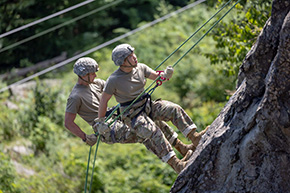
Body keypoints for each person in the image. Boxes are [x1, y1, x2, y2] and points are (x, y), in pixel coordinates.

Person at [64, 57, 194, 172]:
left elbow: (115, 89)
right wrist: (86, 137)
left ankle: (181, 148)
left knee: (151, 121)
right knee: (145, 132)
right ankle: (177, 165)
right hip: (107, 128)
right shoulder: (75, 97)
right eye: (91, 73)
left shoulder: (96, 83)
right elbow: (68, 122)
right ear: (83, 75)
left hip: (116, 115)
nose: (95, 75)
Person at [98, 43, 208, 173]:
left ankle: (194, 138)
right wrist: (101, 121)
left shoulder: (140, 68)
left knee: (173, 109)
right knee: (153, 132)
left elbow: (157, 76)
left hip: (147, 106)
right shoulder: (113, 80)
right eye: (130, 56)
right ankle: (177, 165)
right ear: (122, 62)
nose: (135, 57)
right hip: (132, 115)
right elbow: (104, 101)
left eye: (133, 54)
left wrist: (165, 75)